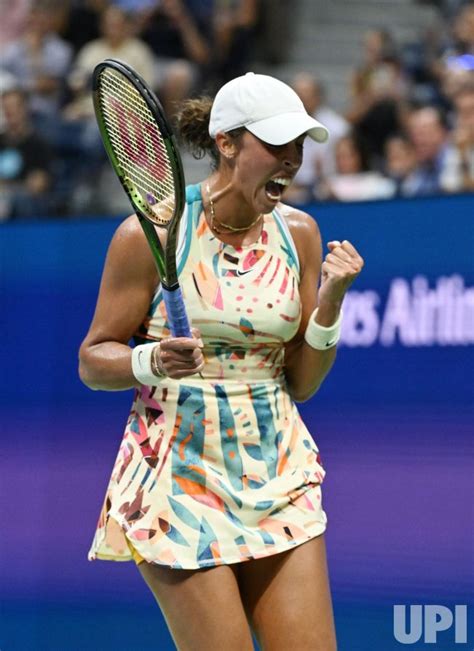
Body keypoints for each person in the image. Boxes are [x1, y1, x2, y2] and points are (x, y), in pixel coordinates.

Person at [79, 72, 364, 651]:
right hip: (179, 475)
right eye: (275, 145)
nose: (292, 160)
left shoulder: (300, 235)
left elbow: (302, 384)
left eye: (299, 146)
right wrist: (152, 359)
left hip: (277, 468)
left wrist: (329, 307)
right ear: (227, 143)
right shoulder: (151, 232)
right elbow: (92, 359)